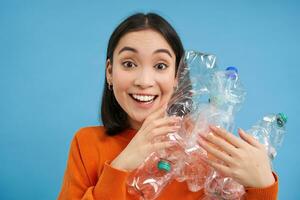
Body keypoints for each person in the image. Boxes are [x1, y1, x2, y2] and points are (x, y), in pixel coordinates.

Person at [58, 12, 278, 200]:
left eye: (160, 65)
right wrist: (122, 164)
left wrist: (262, 185)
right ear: (109, 72)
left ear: (177, 76)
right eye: (129, 64)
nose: (144, 80)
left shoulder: (204, 145)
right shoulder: (86, 144)